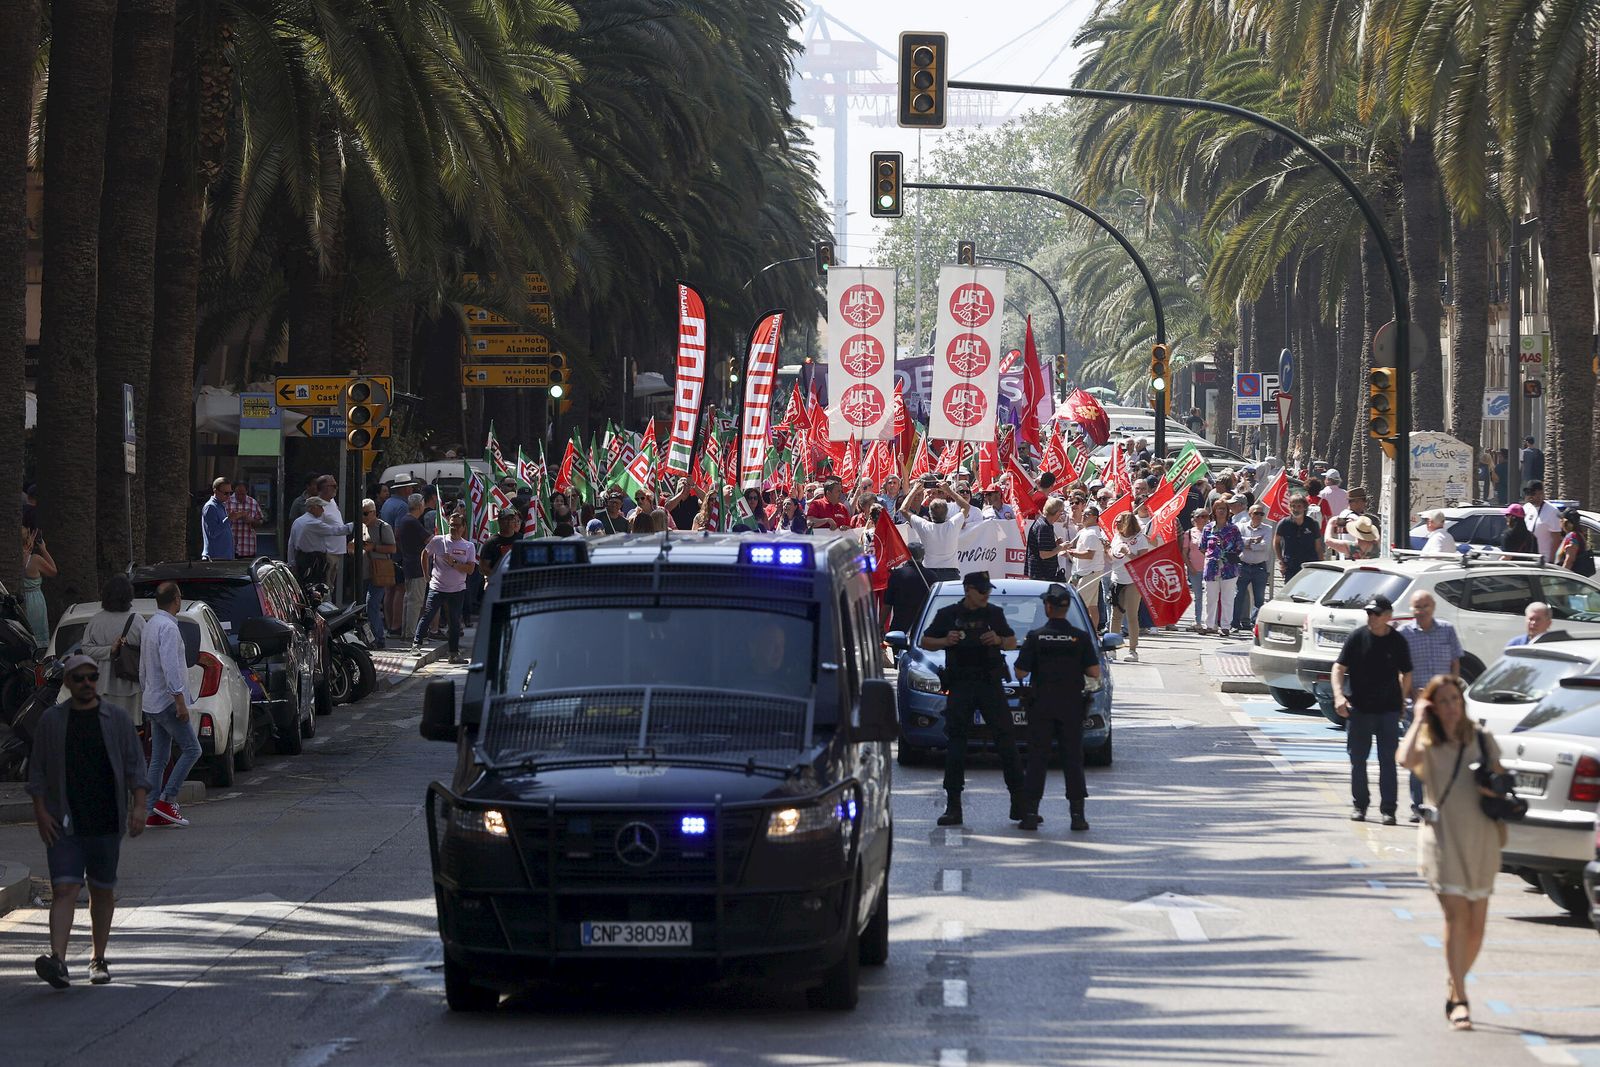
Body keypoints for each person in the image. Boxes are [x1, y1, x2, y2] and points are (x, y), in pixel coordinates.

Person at [26, 653, 148, 988]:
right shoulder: (52, 721)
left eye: (91, 677)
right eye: (78, 678)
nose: (86, 684)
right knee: (64, 888)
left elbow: (135, 765)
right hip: (63, 821)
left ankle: (98, 958)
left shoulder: (116, 719)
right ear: (67, 682)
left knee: (101, 890)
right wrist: (40, 811)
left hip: (106, 819)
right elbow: (37, 772)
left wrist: (139, 806)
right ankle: (58, 960)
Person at [1396, 674, 1508, 1032]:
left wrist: (1493, 788)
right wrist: (1417, 718)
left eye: (1455, 700)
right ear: (1433, 706)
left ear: (1463, 703)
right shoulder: (1428, 742)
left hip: (1481, 838)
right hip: (1443, 839)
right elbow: (1404, 758)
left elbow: (1502, 781)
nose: (1450, 707)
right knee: (1456, 918)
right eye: (1442, 701)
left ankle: (1454, 979)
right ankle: (1460, 998)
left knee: (1477, 927)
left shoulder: (1482, 738)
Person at [919, 572, 1023, 828]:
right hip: (961, 685)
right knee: (956, 743)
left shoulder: (994, 614)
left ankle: (1020, 802)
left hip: (989, 685)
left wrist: (998, 640)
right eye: (981, 590)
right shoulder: (948, 614)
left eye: (988, 590)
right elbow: (925, 641)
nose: (986, 594)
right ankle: (953, 806)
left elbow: (1012, 642)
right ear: (968, 590)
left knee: (1006, 741)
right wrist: (946, 640)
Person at [1014, 584, 1103, 832]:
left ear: (1047, 607)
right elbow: (1094, 672)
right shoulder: (1080, 637)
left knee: (1037, 759)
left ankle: (1030, 814)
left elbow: (1020, 672)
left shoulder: (1036, 636)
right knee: (1073, 759)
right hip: (1071, 706)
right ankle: (1077, 816)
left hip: (1042, 706)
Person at [1331, 594, 1413, 824]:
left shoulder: (1397, 641)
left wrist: (1402, 701)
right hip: (1360, 709)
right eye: (1368, 613)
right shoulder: (1357, 637)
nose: (1371, 617)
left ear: (1388, 616)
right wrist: (1339, 696)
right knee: (1358, 760)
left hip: (1388, 710)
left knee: (1388, 761)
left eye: (1376, 614)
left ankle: (1389, 809)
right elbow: (1338, 668)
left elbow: (1407, 673)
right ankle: (1360, 805)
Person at [139, 582, 201, 828]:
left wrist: (146, 691)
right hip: (168, 701)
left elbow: (143, 667)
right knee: (192, 749)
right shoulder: (169, 628)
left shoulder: (150, 625)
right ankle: (167, 800)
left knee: (159, 757)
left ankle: (151, 811)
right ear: (176, 599)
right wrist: (179, 701)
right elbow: (171, 666)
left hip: (152, 700)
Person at [1398, 591, 1462, 822]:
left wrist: (1453, 693)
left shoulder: (1447, 630)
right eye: (1417, 606)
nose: (1422, 610)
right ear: (1411, 609)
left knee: (1444, 757)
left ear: (1433, 606)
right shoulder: (1404, 634)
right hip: (1416, 707)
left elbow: (1455, 663)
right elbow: (1401, 670)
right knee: (1417, 757)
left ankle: (1441, 803)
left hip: (1444, 708)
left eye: (1425, 605)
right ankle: (1417, 806)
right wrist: (1406, 695)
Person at [412, 510, 477, 663]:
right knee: (428, 615)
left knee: (454, 622)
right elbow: (424, 554)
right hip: (437, 587)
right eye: (451, 525)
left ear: (464, 527)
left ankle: (453, 654)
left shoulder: (468, 546)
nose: (454, 528)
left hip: (457, 589)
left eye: (457, 525)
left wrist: (453, 563)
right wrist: (426, 575)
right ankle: (416, 644)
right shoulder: (438, 541)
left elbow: (470, 569)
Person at [78, 575, 144, 711]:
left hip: (103, 685)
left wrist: (109, 650)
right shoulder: (138, 621)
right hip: (132, 685)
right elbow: (147, 651)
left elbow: (86, 648)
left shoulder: (96, 621)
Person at [902, 481, 971, 583]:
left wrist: (915, 490)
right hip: (951, 574)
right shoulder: (953, 524)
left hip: (929, 574)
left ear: (930, 513)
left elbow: (903, 510)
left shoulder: (924, 525)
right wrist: (949, 491)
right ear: (947, 512)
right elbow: (966, 506)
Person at [1107, 512, 1150, 661]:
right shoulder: (1116, 537)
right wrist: (1107, 550)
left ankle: (1133, 650)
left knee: (1131, 615)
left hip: (1133, 580)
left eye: (1119, 521)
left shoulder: (1140, 539)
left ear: (1127, 523)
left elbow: (1143, 561)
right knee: (1115, 616)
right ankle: (1112, 648)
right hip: (1117, 578)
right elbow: (1112, 557)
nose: (1116, 524)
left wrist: (1129, 553)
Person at [1199, 497, 1244, 636]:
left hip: (1229, 568)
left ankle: (1225, 626)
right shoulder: (1208, 528)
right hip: (1211, 567)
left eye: (1224, 509)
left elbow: (1240, 546)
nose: (1221, 511)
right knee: (1210, 598)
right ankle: (1209, 625)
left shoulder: (1233, 529)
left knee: (1227, 598)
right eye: (1219, 508)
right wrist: (1213, 556)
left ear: (1228, 511)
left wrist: (1228, 555)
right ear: (1214, 511)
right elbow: (1202, 547)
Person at [359, 499, 397, 651]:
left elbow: (392, 548)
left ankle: (378, 638)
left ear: (374, 512)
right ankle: (367, 638)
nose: (363, 517)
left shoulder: (383, 527)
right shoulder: (361, 526)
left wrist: (374, 547)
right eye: (360, 513)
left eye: (365, 513)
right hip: (363, 573)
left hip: (379, 573)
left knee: (371, 604)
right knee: (362, 607)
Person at [1064, 504, 1108, 631]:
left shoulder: (1092, 534)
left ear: (1095, 517)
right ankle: (1093, 632)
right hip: (1083, 572)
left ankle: (1079, 631)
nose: (1084, 516)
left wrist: (1072, 553)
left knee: (1078, 604)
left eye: (1087, 514)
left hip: (1089, 573)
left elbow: (1089, 555)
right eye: (1083, 514)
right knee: (1092, 606)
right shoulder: (1085, 531)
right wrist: (1069, 550)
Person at [394, 494, 430, 641]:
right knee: (415, 601)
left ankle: (406, 632)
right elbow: (428, 539)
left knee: (409, 600)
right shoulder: (412, 522)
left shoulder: (405, 520)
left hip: (409, 563)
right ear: (420, 505)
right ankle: (410, 633)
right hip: (416, 565)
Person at [1233, 503, 1273, 628]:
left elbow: (1265, 545)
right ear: (1250, 514)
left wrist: (1247, 545)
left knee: (1259, 598)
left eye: (1261, 514)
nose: (1259, 516)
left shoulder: (1268, 529)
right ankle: (1234, 623)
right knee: (1238, 596)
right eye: (1256, 513)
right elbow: (1237, 542)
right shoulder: (1240, 526)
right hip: (1243, 566)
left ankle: (1255, 624)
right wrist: (1252, 541)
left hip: (1260, 567)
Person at [312, 475, 350, 601]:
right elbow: (319, 529)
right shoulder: (318, 506)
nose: (336, 488)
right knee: (324, 589)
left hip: (336, 552)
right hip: (327, 553)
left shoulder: (332, 502)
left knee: (330, 587)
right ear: (323, 488)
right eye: (333, 486)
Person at [287, 498, 340, 584]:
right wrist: (354, 525)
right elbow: (337, 530)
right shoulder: (313, 523)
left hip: (302, 558)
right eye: (320, 507)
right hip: (313, 560)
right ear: (313, 508)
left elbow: (291, 543)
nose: (323, 510)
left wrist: (291, 562)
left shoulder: (297, 521)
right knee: (314, 585)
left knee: (304, 584)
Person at [21, 526, 57, 651]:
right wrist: (43, 549)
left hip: (20, 599)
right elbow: (53, 571)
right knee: (38, 635)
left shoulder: (11, 559)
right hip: (35, 601)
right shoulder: (34, 560)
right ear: (28, 540)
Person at [885, 543, 932, 637]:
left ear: (906, 555)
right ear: (923, 556)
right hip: (923, 630)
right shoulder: (932, 576)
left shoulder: (897, 575)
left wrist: (881, 624)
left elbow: (887, 604)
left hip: (898, 630)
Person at [1273, 494, 1323, 581]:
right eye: (1293, 506)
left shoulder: (1312, 524)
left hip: (1309, 565)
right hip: (1291, 565)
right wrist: (1281, 561)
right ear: (1289, 507)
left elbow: (1318, 547)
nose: (1296, 509)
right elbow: (1276, 542)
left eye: (1299, 506)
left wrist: (1321, 565)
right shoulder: (1284, 523)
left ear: (1305, 507)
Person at [1025, 497, 1069, 581]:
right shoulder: (1043, 526)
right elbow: (1044, 554)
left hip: (1042, 573)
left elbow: (1042, 547)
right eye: (1061, 512)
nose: (1061, 515)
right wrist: (1061, 547)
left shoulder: (1044, 523)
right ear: (1056, 512)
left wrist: (1055, 544)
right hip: (1041, 574)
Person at [1522, 481, 1563, 561]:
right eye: (1528, 494)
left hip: (1543, 560)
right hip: (1527, 558)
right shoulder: (1526, 508)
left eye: (1533, 494)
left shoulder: (1552, 511)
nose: (1530, 497)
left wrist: (1551, 561)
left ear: (1541, 493)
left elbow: (1556, 539)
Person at [225, 480, 265, 560]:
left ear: (247, 491)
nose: (240, 497)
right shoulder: (226, 502)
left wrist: (251, 520)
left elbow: (261, 522)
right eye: (237, 494)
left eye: (242, 494)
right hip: (230, 546)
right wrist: (231, 517)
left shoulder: (253, 503)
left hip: (247, 547)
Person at [1182, 509, 1207, 631]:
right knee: (1198, 596)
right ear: (1194, 518)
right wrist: (1190, 567)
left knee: (1210, 597)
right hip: (1195, 570)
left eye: (1205, 516)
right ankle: (1197, 621)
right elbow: (1184, 553)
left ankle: (1210, 622)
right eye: (1199, 516)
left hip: (1210, 569)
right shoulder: (1189, 533)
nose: (1202, 519)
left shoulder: (1211, 531)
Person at [479, 509, 522, 575]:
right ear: (499, 521)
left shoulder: (522, 538)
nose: (509, 522)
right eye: (506, 519)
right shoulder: (490, 542)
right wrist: (498, 577)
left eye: (512, 519)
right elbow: (483, 567)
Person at [1555, 509, 1591, 574]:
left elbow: (1569, 561)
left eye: (1562, 519)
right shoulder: (1579, 535)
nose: (1560, 521)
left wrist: (1561, 575)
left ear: (1567, 523)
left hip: (1570, 576)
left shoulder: (1572, 537)